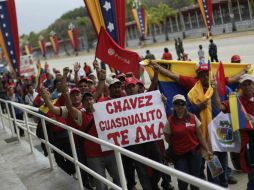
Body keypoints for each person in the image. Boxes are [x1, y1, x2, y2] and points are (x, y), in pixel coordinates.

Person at [164, 94, 212, 190]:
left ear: (185, 105)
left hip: (194, 153)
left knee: (195, 181)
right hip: (179, 155)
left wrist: (207, 149)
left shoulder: (193, 117)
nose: (180, 106)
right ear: (173, 106)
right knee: (182, 182)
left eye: (182, 103)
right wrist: (177, 144)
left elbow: (200, 135)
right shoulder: (170, 121)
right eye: (177, 104)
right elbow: (167, 137)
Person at [219, 74, 254, 190]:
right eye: (245, 84)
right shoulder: (236, 101)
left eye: (250, 83)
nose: (248, 86)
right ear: (241, 87)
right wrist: (214, 90)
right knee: (252, 179)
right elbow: (220, 106)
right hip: (249, 146)